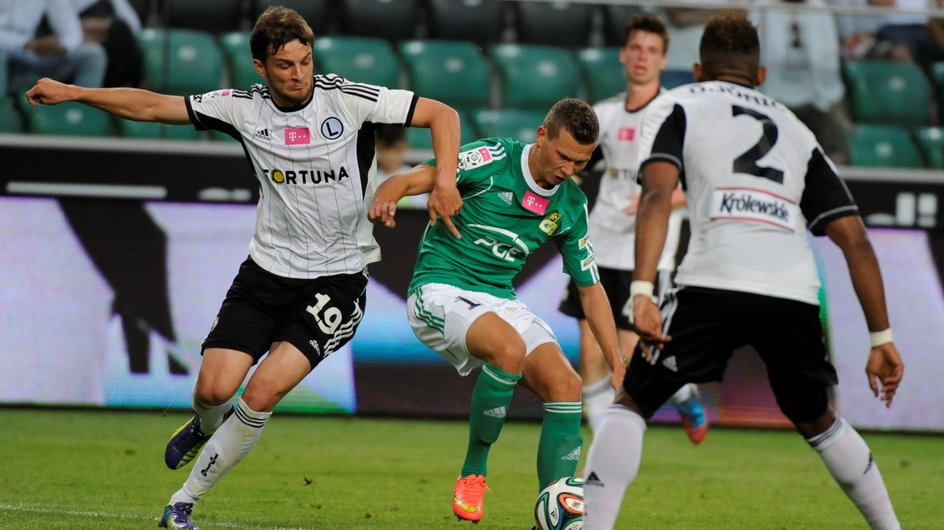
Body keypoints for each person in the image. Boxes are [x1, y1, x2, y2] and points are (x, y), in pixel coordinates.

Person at [26, 6, 462, 530]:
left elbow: (443, 114)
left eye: (305, 61)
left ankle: (182, 502)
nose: (298, 74)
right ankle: (205, 425)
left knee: (260, 392)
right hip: (266, 272)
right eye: (284, 65)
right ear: (260, 67)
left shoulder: (348, 99)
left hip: (338, 278)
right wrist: (75, 93)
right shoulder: (240, 108)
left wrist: (445, 180)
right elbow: (151, 106)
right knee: (213, 391)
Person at [582, 9, 904, 530]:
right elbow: (855, 240)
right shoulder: (797, 129)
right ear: (760, 77)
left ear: (698, 69)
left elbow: (658, 192)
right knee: (818, 419)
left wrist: (642, 289)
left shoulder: (679, 102)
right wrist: (881, 337)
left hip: (714, 279)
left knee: (633, 400)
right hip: (792, 291)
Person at [369, 98, 625, 524]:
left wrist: (616, 360)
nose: (568, 169)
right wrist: (389, 191)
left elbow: (591, 289)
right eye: (563, 156)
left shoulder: (571, 205)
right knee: (508, 347)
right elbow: (427, 175)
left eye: (580, 162)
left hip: (499, 299)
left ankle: (554, 514)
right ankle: (473, 469)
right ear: (542, 135)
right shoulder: (494, 158)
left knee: (566, 384)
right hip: (439, 288)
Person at [557, 14, 707, 443]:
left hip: (646, 251)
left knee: (631, 352)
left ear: (663, 60)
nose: (642, 58)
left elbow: (702, 184)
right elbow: (579, 170)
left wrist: (661, 198)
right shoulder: (601, 114)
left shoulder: (678, 115)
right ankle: (603, 442)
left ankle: (682, 392)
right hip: (597, 244)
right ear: (624, 55)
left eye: (652, 51)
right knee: (591, 352)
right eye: (636, 49)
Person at [753, 0, 852, 165]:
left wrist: (831, 99)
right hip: (771, 96)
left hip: (815, 97)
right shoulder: (761, 6)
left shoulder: (819, 8)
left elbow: (829, 57)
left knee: (837, 148)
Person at [0, 0, 107, 96]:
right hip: (9, 53)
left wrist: (61, 46)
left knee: (93, 53)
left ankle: (82, 114)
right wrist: (26, 43)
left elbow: (72, 34)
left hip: (30, 56)